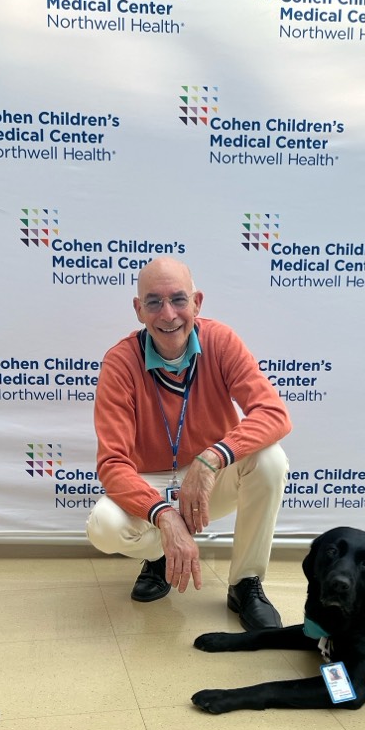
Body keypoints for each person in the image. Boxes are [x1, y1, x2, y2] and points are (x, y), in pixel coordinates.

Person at [86, 257, 291, 630]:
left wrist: (212, 458)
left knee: (271, 460)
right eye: (153, 302)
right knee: (104, 525)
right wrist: (164, 515)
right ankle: (163, 554)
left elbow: (274, 414)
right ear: (138, 310)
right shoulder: (120, 362)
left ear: (197, 302)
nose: (168, 314)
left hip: (210, 478)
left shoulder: (221, 341)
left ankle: (245, 583)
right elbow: (113, 464)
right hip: (153, 482)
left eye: (178, 300)